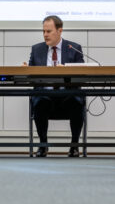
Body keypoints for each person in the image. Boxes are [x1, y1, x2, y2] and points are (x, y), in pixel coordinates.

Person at [27, 15, 84, 158]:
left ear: (60, 31)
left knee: (77, 102)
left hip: (66, 96)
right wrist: (26, 70)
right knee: (39, 102)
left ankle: (74, 146)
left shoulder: (74, 48)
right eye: (44, 31)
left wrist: (65, 70)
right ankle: (43, 145)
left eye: (49, 31)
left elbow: (81, 76)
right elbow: (31, 77)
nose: (45, 35)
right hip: (46, 96)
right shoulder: (37, 49)